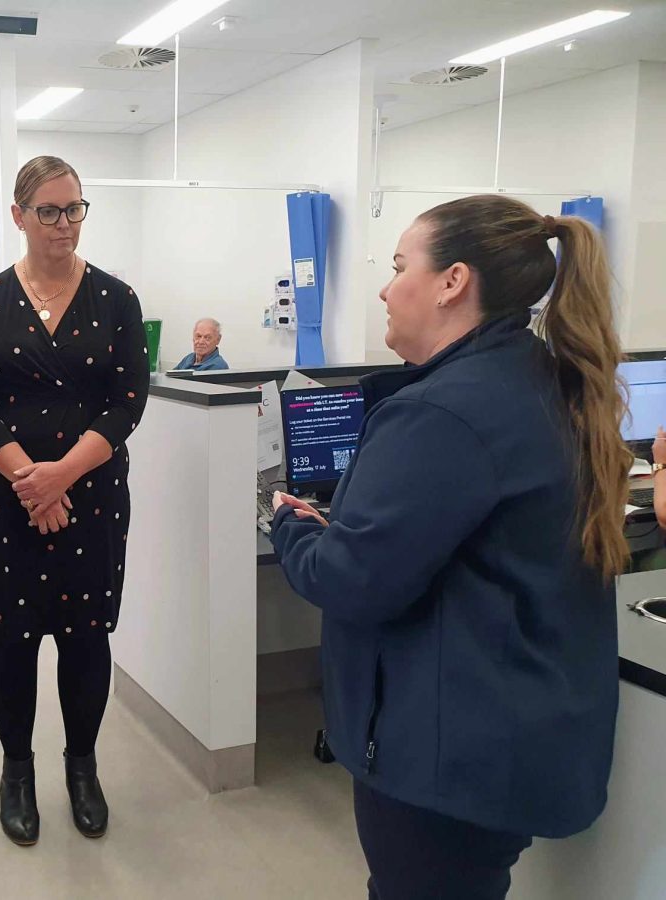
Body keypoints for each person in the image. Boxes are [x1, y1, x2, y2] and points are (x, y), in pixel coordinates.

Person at [270, 196, 626, 899]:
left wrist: (292, 525)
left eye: (401, 265)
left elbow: (352, 580)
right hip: (512, 729)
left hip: (449, 755)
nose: (384, 285)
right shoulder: (541, 380)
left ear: (452, 281)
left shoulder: (443, 412)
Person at [0, 155, 150, 847]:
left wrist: (59, 475)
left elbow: (127, 405)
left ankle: (82, 768)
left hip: (90, 495)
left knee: (85, 636)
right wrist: (29, 481)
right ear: (18, 216)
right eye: (48, 211)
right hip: (6, 499)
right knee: (12, 639)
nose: (63, 224)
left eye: (74, 209)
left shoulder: (117, 300)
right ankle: (16, 771)